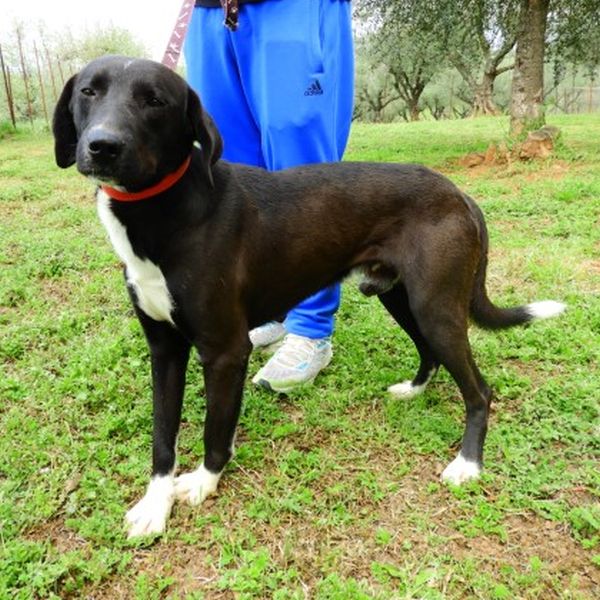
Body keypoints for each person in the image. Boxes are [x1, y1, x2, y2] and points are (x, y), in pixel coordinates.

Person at [184, 0, 354, 392]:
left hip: (290, 9)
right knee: (232, 172)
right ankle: (269, 308)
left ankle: (311, 328)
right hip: (208, 14)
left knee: (302, 170)